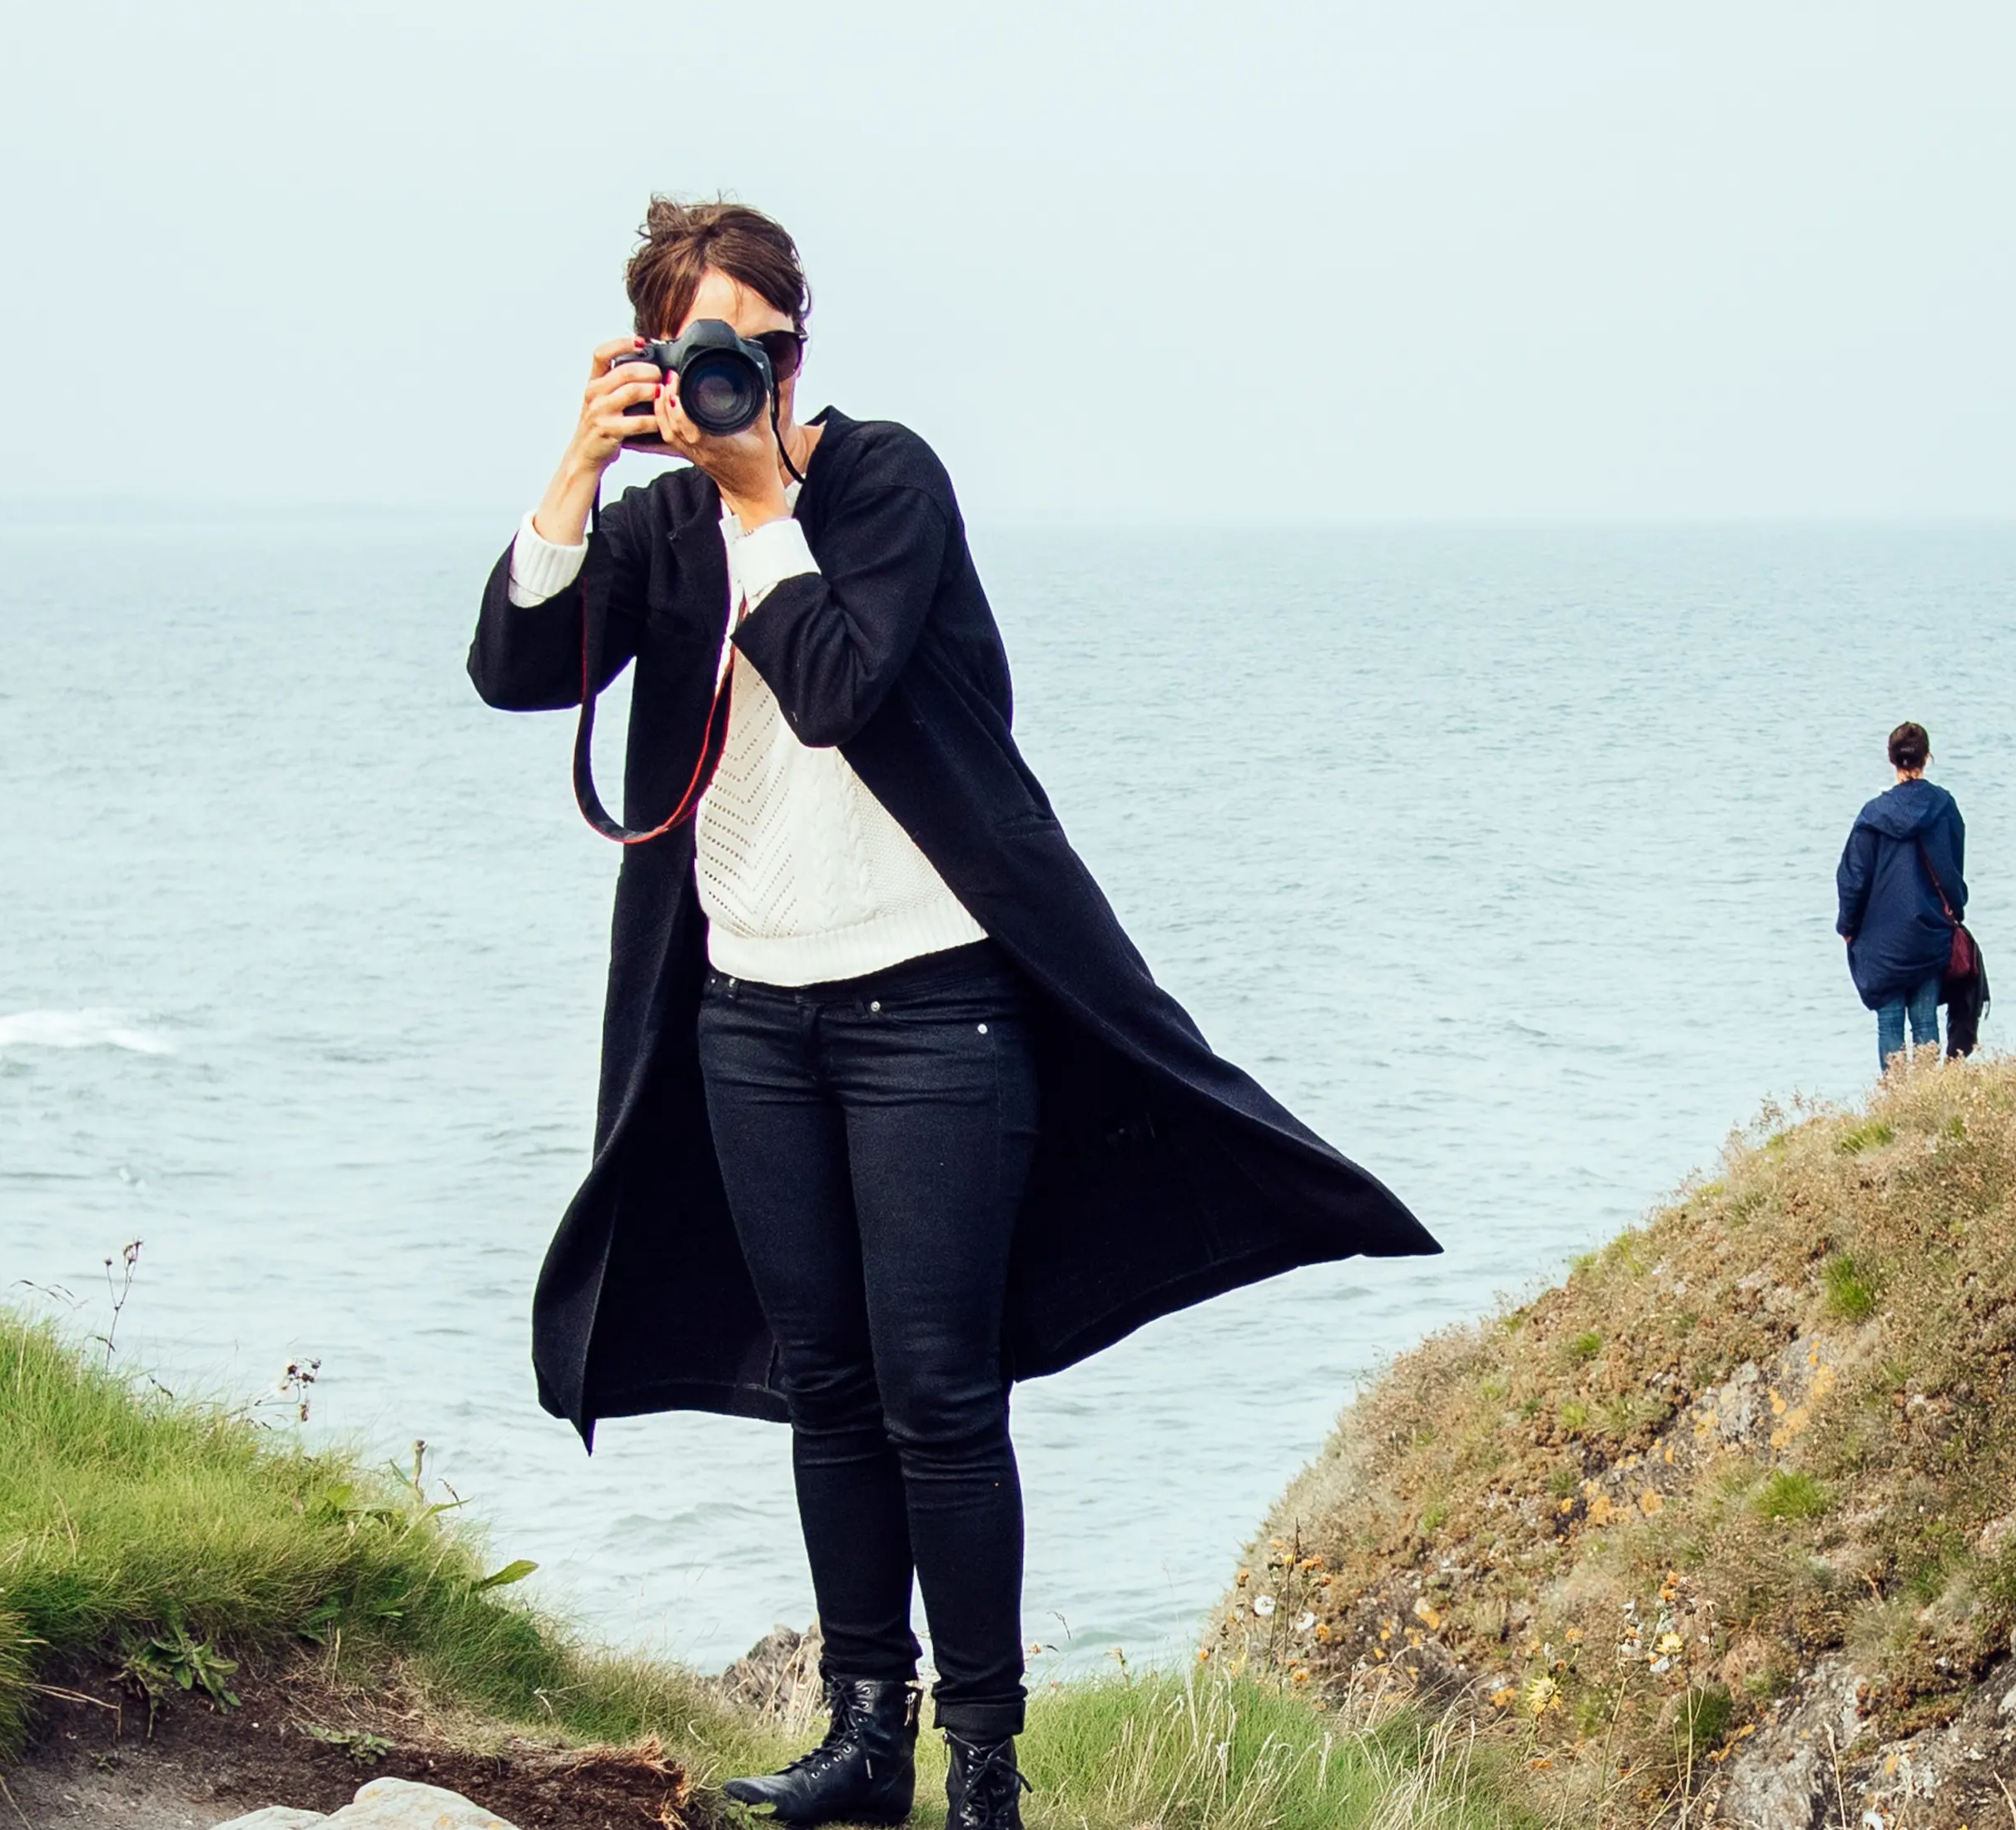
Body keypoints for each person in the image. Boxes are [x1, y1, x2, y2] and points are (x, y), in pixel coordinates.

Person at [465, 197, 1438, 1830]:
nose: (744, 378)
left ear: (800, 343)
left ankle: (983, 1766)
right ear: (650, 357)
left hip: (938, 1010)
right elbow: (514, 668)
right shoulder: (653, 527)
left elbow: (839, 684)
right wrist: (579, 468)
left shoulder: (881, 481)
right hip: (749, 1016)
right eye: (707, 354)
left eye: (766, 348)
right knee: (825, 1382)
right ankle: (865, 1739)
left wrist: (759, 496)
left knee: (938, 1388)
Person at [1834, 722, 1969, 1070]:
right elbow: (1954, 870)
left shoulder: (1872, 816)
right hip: (1929, 931)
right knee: (1926, 1022)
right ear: (1927, 756)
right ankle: (1927, 1101)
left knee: (1889, 1023)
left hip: (1882, 939)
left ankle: (1896, 1104)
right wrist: (1955, 911)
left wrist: (1847, 927)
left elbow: (1852, 879)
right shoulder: (1944, 806)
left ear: (1891, 759)